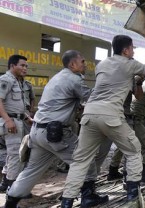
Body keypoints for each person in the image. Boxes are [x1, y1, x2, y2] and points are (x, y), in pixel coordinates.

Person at [61, 35, 145, 207]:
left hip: (89, 114)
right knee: (134, 150)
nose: (133, 51)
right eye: (132, 48)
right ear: (125, 50)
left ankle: (67, 201)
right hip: (110, 115)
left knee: (80, 160)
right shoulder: (130, 63)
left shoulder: (102, 64)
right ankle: (133, 194)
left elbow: (133, 91)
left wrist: (137, 81)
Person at [4, 50, 109, 208]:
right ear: (72, 64)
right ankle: (88, 196)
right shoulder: (74, 79)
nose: (85, 64)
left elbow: (64, 102)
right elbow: (93, 98)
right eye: (82, 61)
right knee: (86, 160)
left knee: (31, 170)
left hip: (38, 132)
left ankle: (10, 202)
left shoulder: (58, 77)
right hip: (56, 133)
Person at [0, 55, 28, 192]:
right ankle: (12, 189)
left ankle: (5, 183)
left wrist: (26, 116)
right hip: (11, 122)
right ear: (12, 66)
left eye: (26, 66)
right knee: (15, 155)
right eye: (22, 65)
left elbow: (16, 105)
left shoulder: (17, 81)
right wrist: (8, 120)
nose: (25, 68)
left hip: (18, 120)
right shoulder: (6, 79)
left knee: (12, 154)